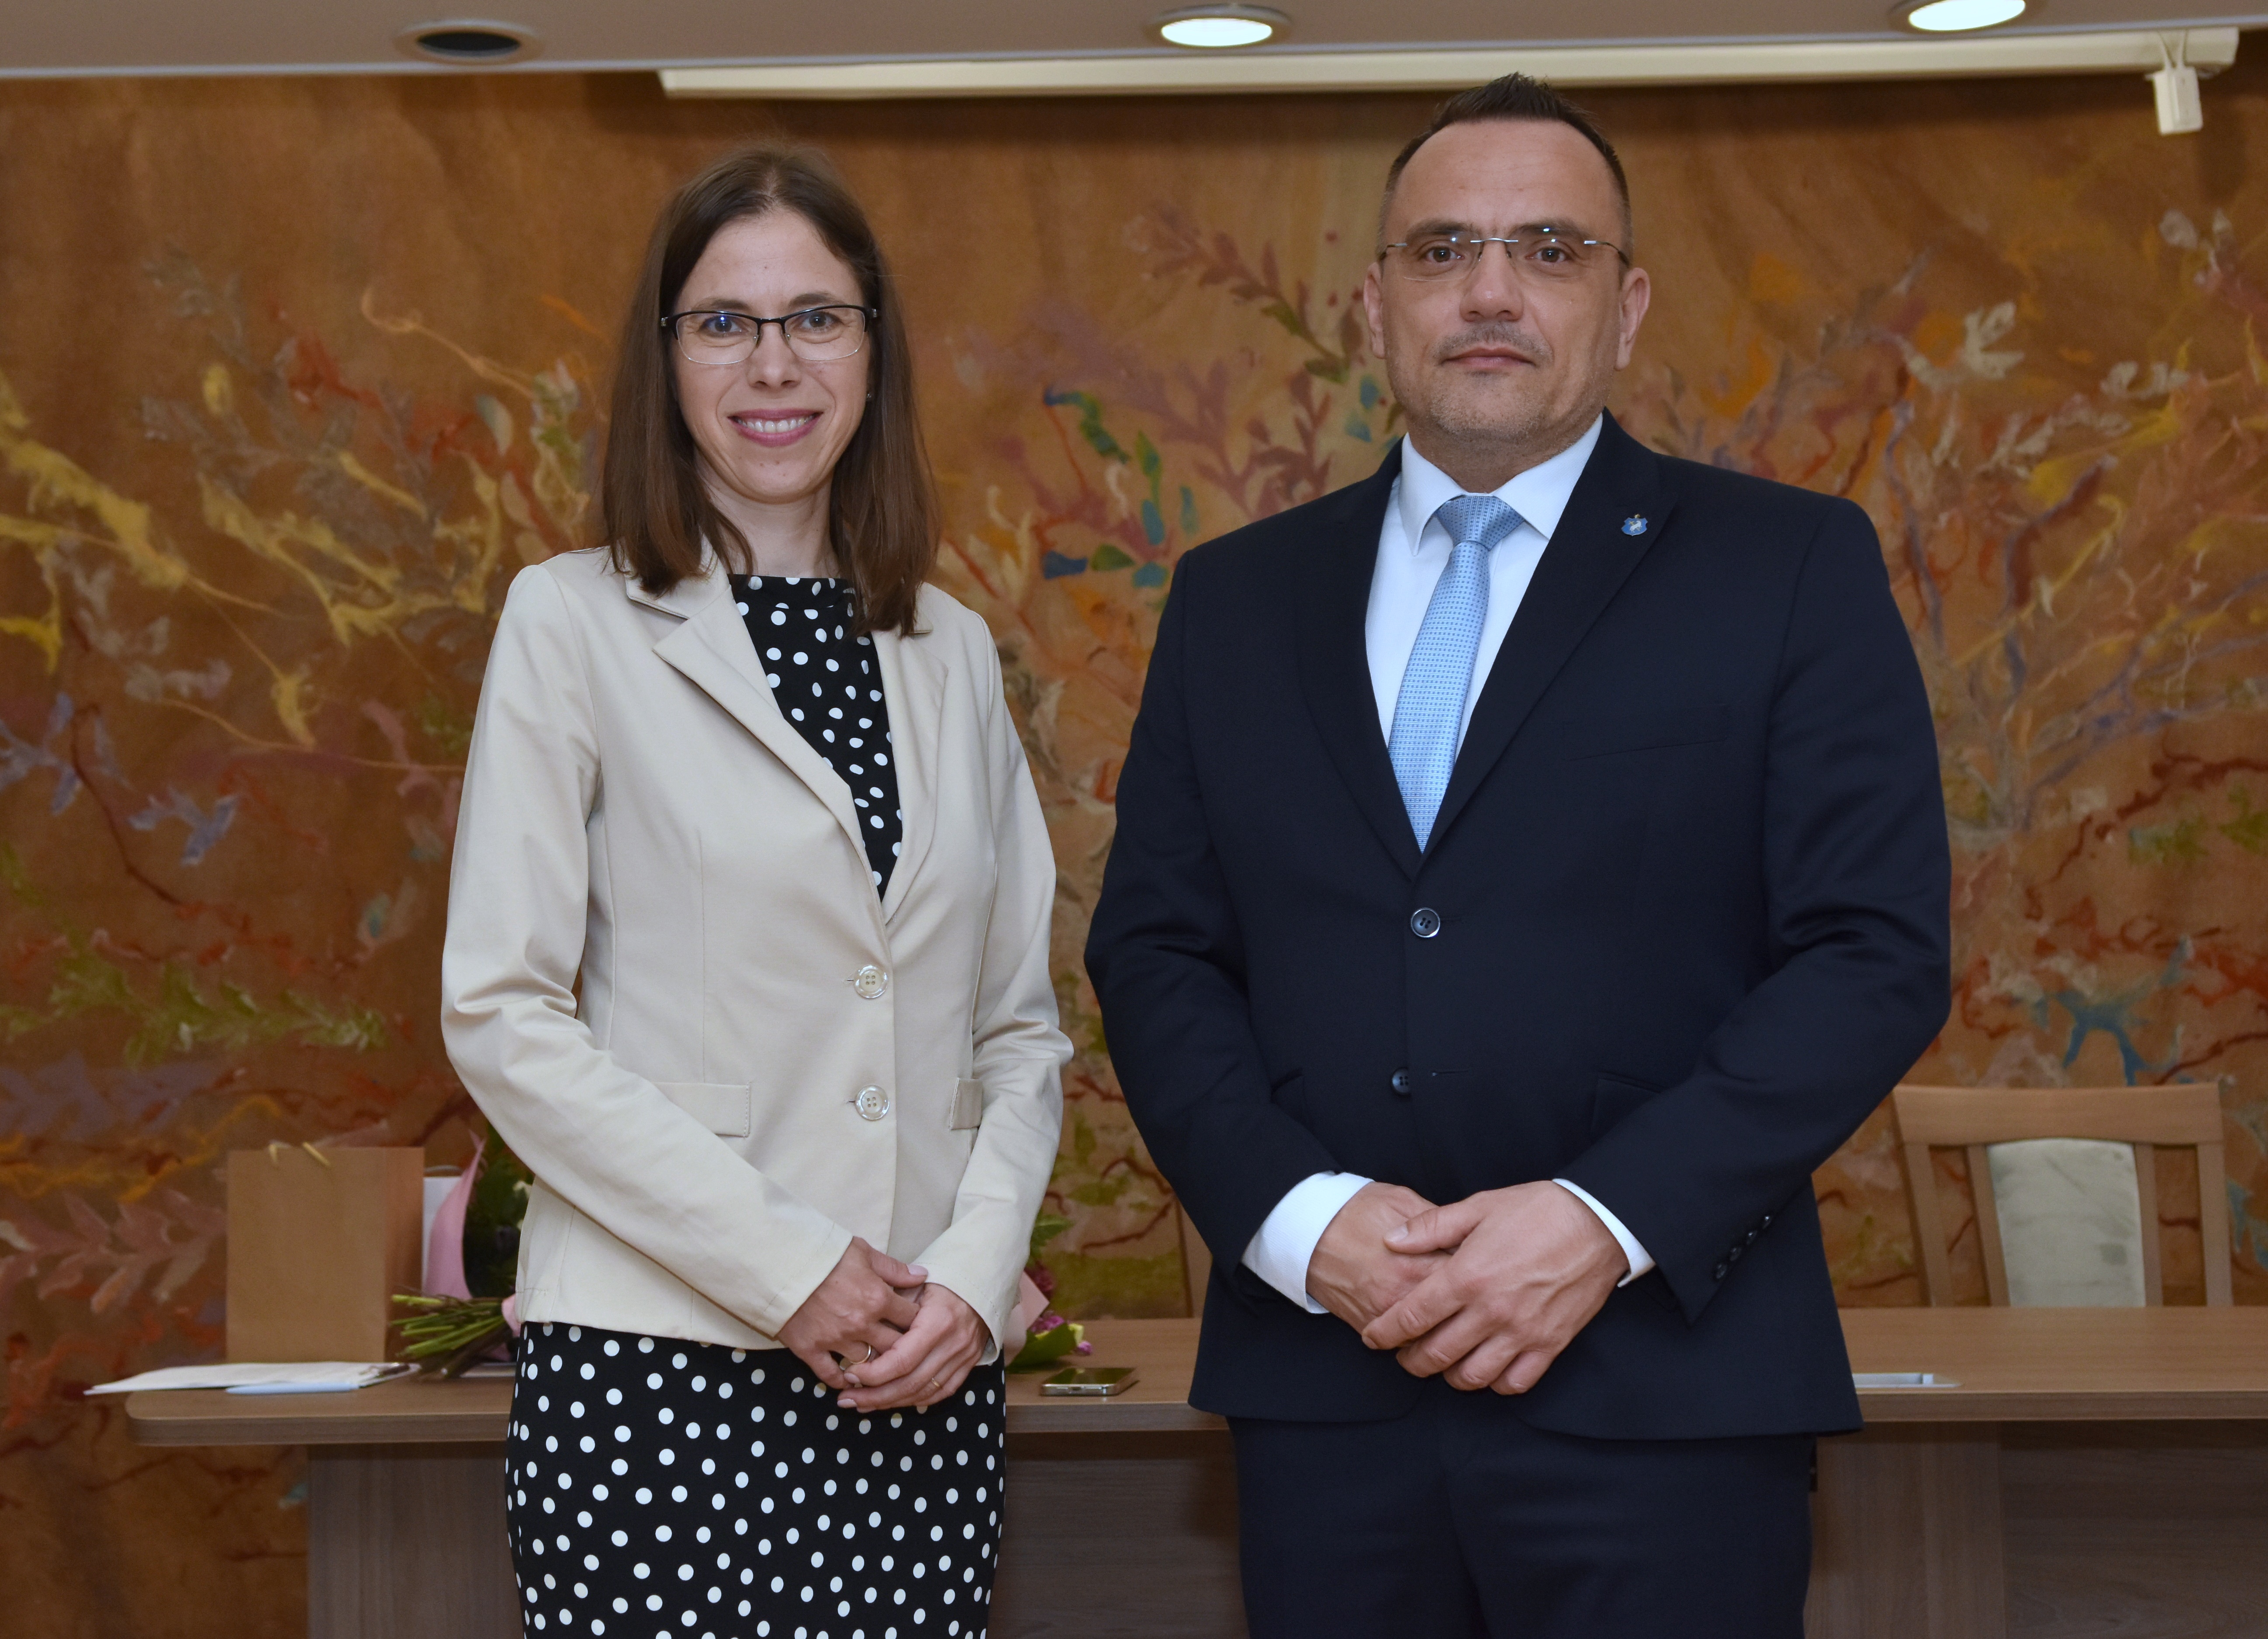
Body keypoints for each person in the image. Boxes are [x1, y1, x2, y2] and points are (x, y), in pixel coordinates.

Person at [1086, 75, 1950, 1639]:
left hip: (1665, 1398)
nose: (1491, 291)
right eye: (1443, 251)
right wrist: (1299, 1221)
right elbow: (1157, 953)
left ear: (1628, 307)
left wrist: (1603, 1222)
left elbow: (1870, 952)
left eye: (1549, 249)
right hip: (1327, 1396)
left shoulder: (1787, 566)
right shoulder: (1234, 599)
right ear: (1374, 305)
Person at [441, 142, 1068, 1639]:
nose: (772, 364)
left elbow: (1016, 1033)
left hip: (917, 1375)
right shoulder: (569, 622)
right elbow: (502, 1013)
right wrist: (789, 1271)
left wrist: (973, 1285)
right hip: (659, 1369)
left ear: (873, 351)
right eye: (723, 322)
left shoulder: (952, 650)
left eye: (816, 319)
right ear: (665, 359)